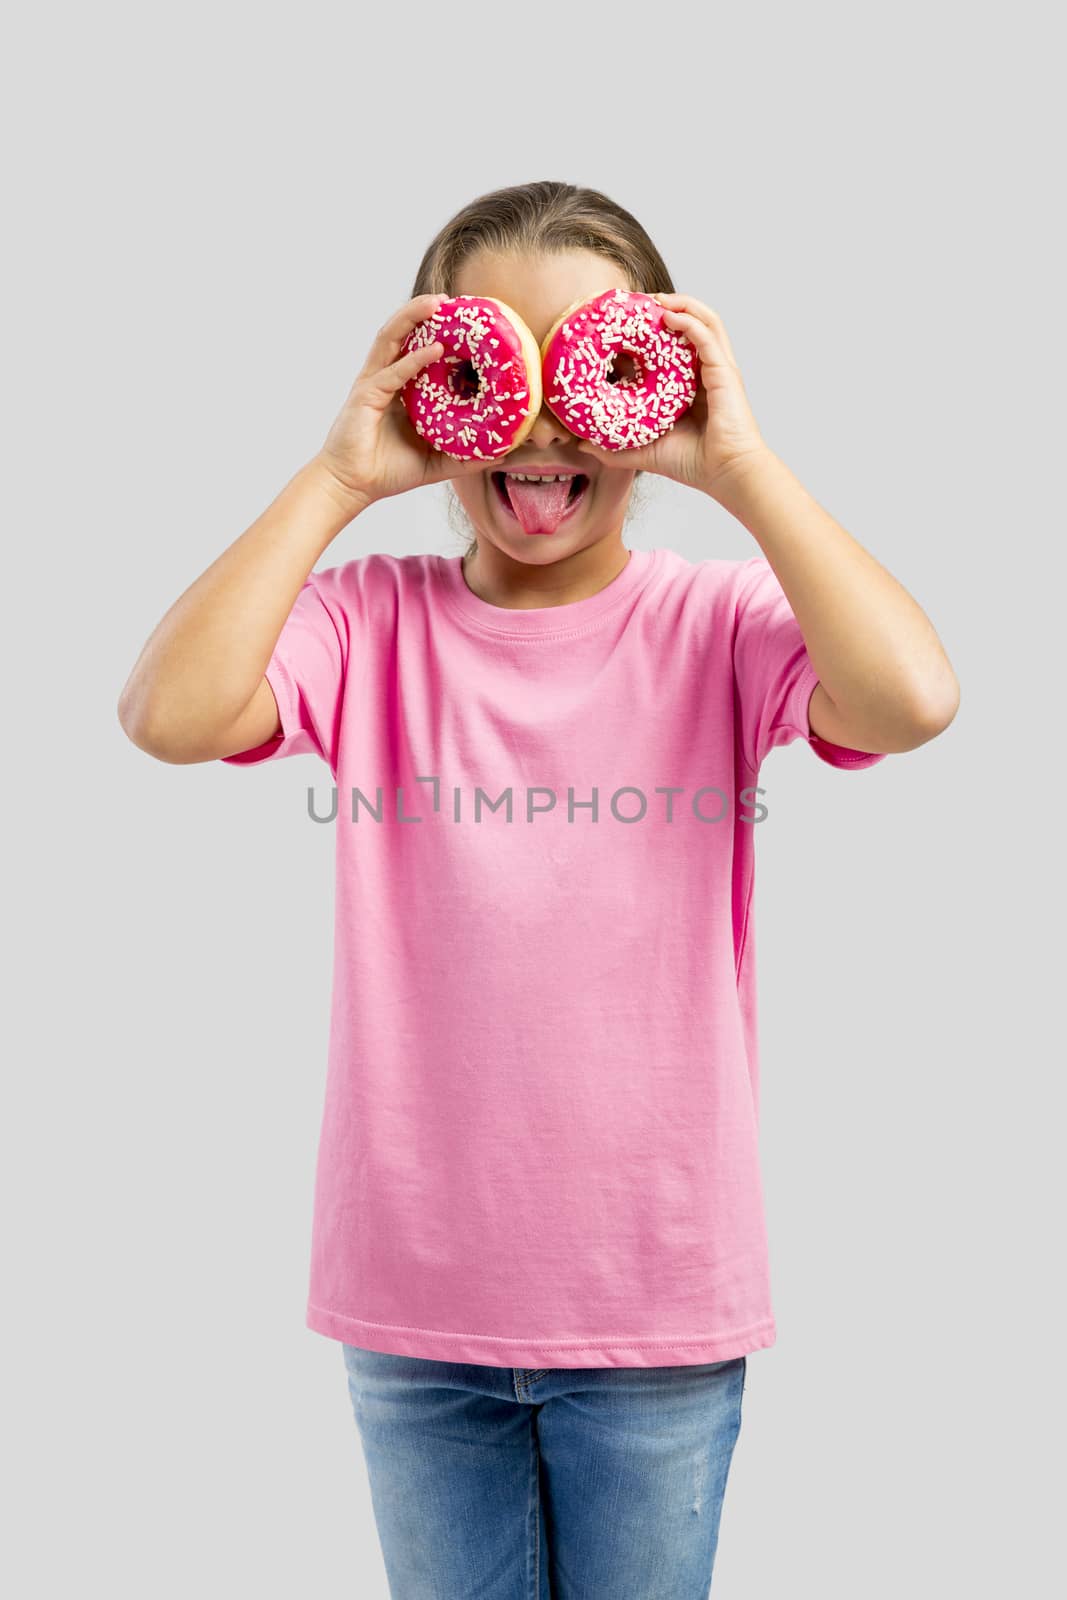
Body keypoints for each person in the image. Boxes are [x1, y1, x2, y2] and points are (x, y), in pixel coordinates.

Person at [117, 180, 959, 1597]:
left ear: (658, 382)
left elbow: (914, 696)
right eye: (485, 369)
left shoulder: (722, 622)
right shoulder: (365, 623)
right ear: (424, 379)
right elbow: (167, 714)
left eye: (591, 366)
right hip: (414, 1306)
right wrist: (335, 478)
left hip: (656, 1304)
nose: (542, 425)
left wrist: (741, 465)